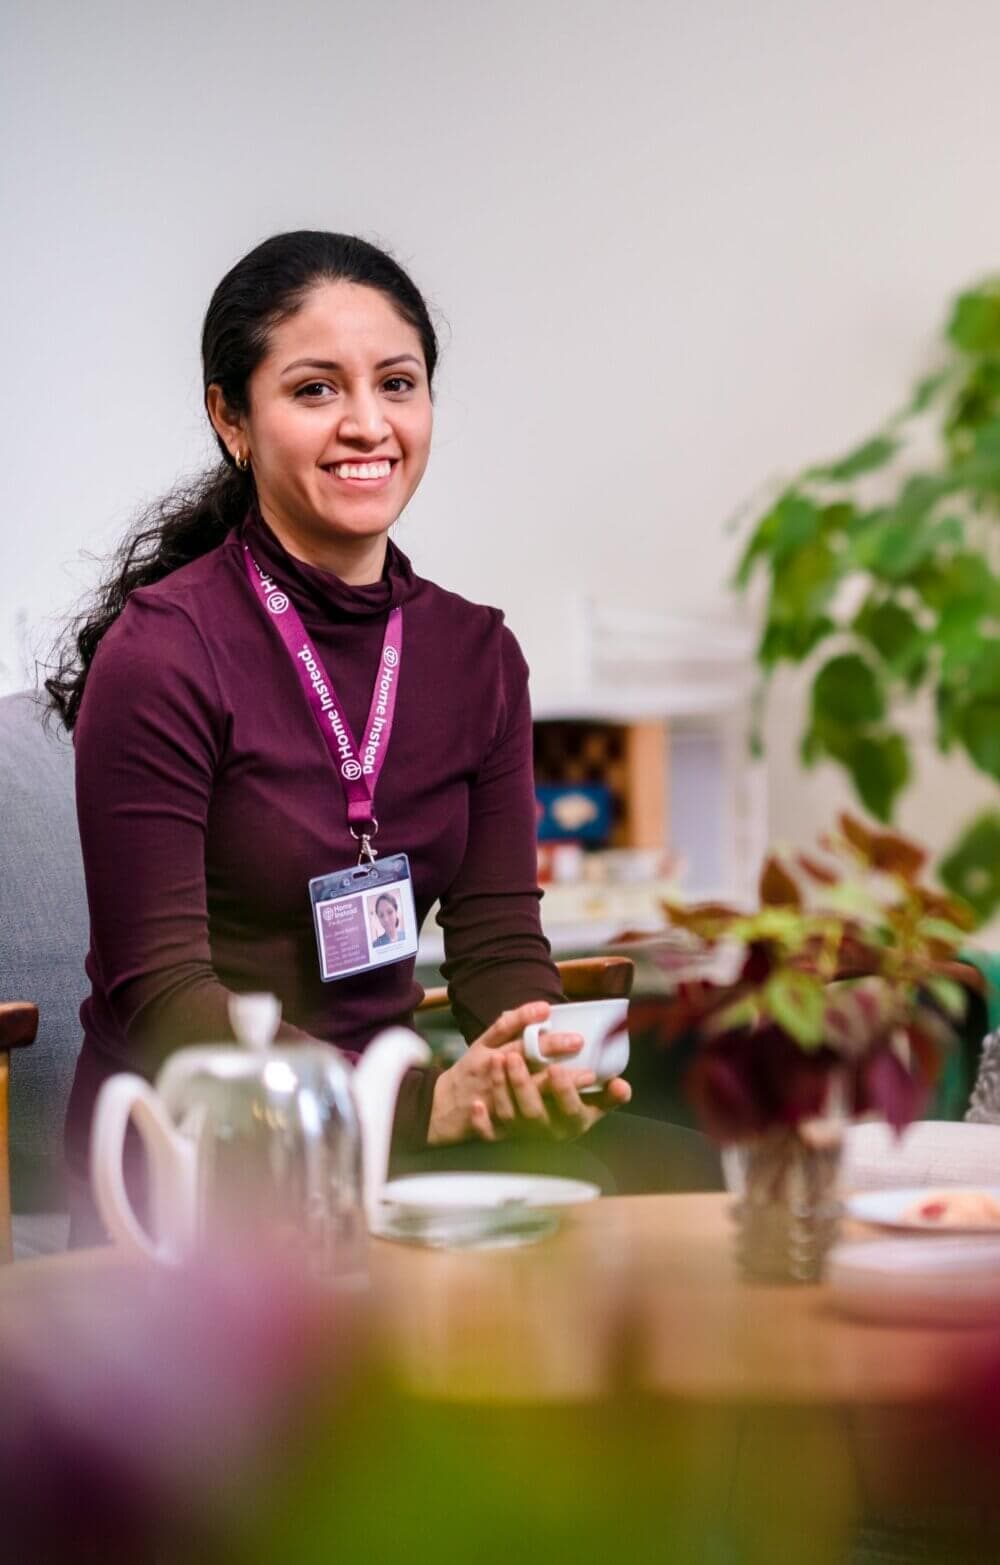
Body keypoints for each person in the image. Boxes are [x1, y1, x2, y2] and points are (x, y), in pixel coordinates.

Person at [48, 231, 648, 1241]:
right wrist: (414, 1104)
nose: (368, 424)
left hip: (405, 1135)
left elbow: (500, 941)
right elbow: (160, 992)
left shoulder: (477, 654)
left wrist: (529, 1060)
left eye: (397, 384)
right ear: (231, 419)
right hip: (209, 1157)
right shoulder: (165, 652)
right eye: (315, 389)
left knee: (670, 1181)